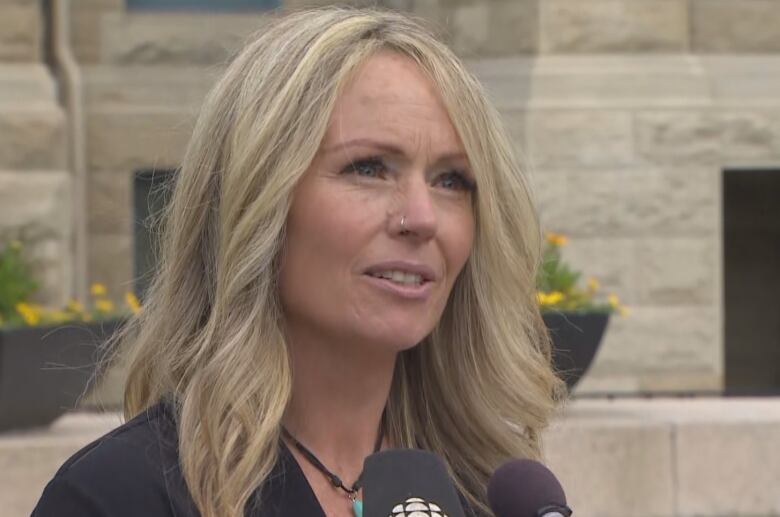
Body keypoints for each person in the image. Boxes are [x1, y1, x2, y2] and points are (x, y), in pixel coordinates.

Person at [32, 7, 564, 517]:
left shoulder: (488, 491)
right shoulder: (118, 497)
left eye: (451, 180)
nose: (422, 217)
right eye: (369, 168)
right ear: (257, 198)